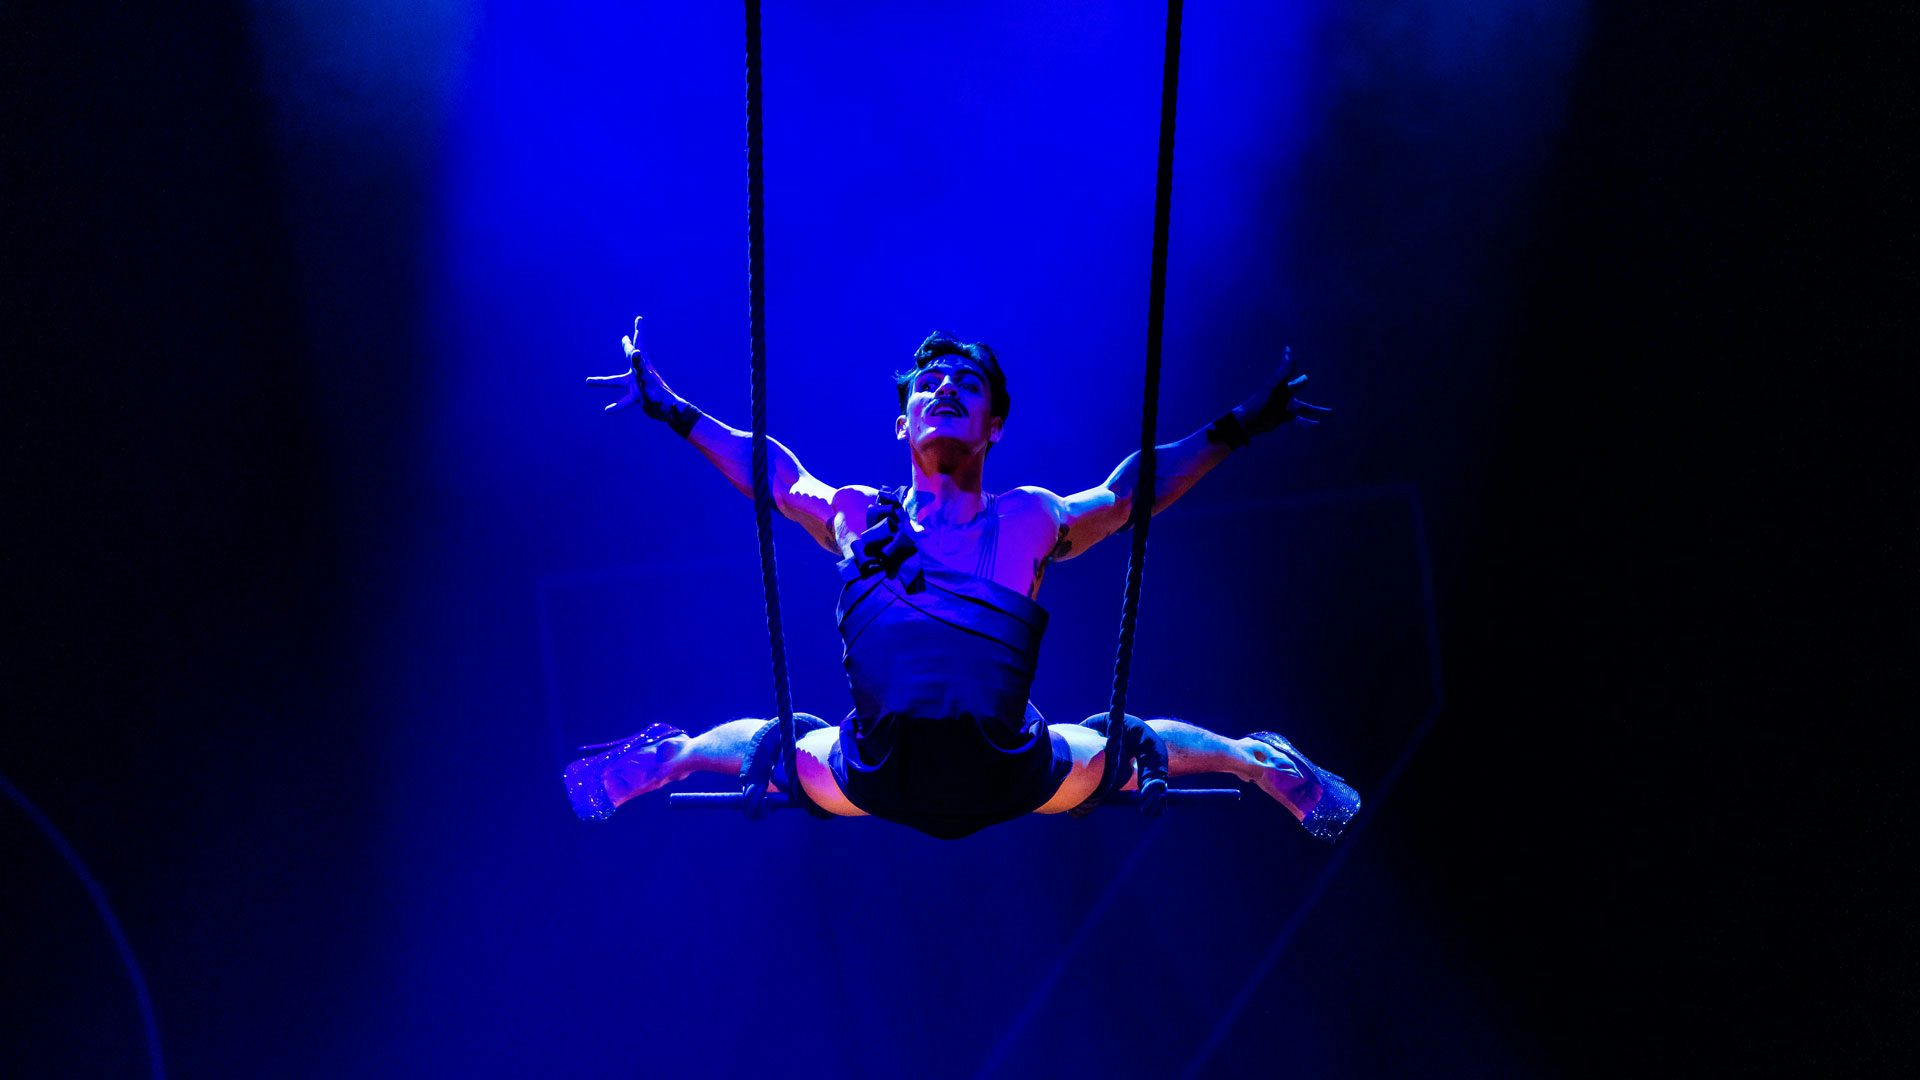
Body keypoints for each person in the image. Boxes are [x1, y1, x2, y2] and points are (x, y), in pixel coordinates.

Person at [563, 318, 1359, 841]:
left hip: (1013, 770)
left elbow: (1129, 493)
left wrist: (1235, 428)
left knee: (1124, 743)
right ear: (903, 420)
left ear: (994, 426)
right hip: (872, 774)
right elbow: (773, 474)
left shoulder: (1028, 522)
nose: (946, 389)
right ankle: (664, 756)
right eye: (930, 385)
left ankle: (1262, 761)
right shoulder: (856, 517)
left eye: (967, 386)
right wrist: (674, 412)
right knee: (778, 746)